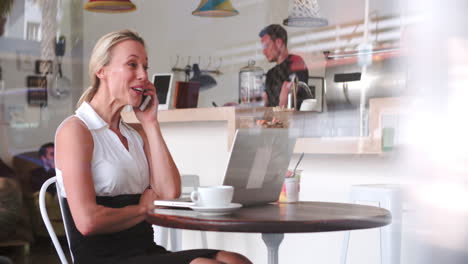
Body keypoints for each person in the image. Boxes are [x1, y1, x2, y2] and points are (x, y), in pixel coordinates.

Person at [55, 29, 252, 264]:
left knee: (235, 260)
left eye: (145, 67)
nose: (143, 75)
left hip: (145, 251)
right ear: (101, 70)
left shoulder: (136, 133)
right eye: (132, 65)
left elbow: (169, 192)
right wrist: (142, 210)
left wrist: (150, 123)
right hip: (103, 258)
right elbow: (87, 222)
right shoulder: (76, 131)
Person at [259, 24, 309, 110]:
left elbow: (286, 98)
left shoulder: (296, 62)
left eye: (266, 46)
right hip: (273, 121)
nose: (264, 51)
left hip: (290, 121)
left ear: (279, 42)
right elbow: (263, 102)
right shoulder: (270, 73)